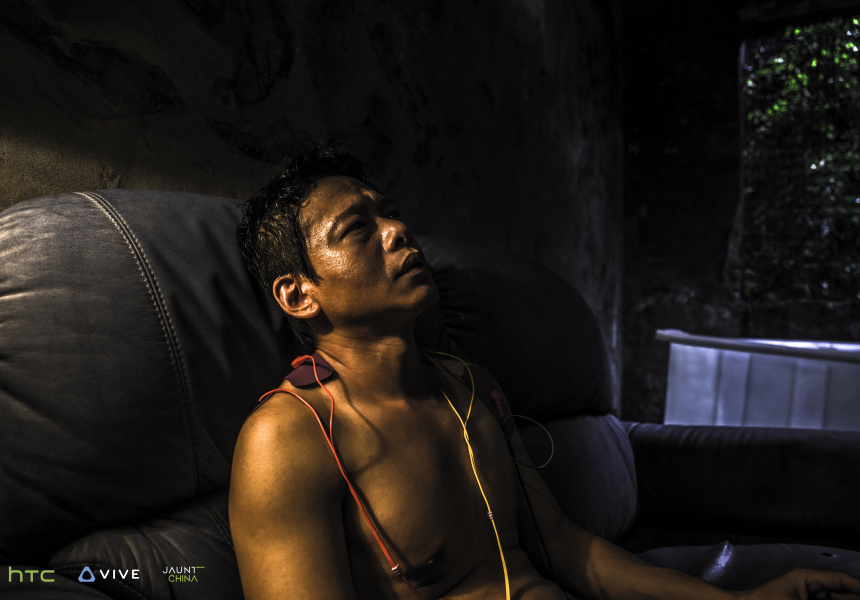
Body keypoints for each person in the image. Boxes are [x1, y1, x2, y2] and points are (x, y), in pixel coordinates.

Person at [229, 143, 860, 600]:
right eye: (357, 229)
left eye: (390, 212)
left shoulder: (471, 388)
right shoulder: (287, 441)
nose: (397, 230)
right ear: (298, 294)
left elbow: (568, 549)